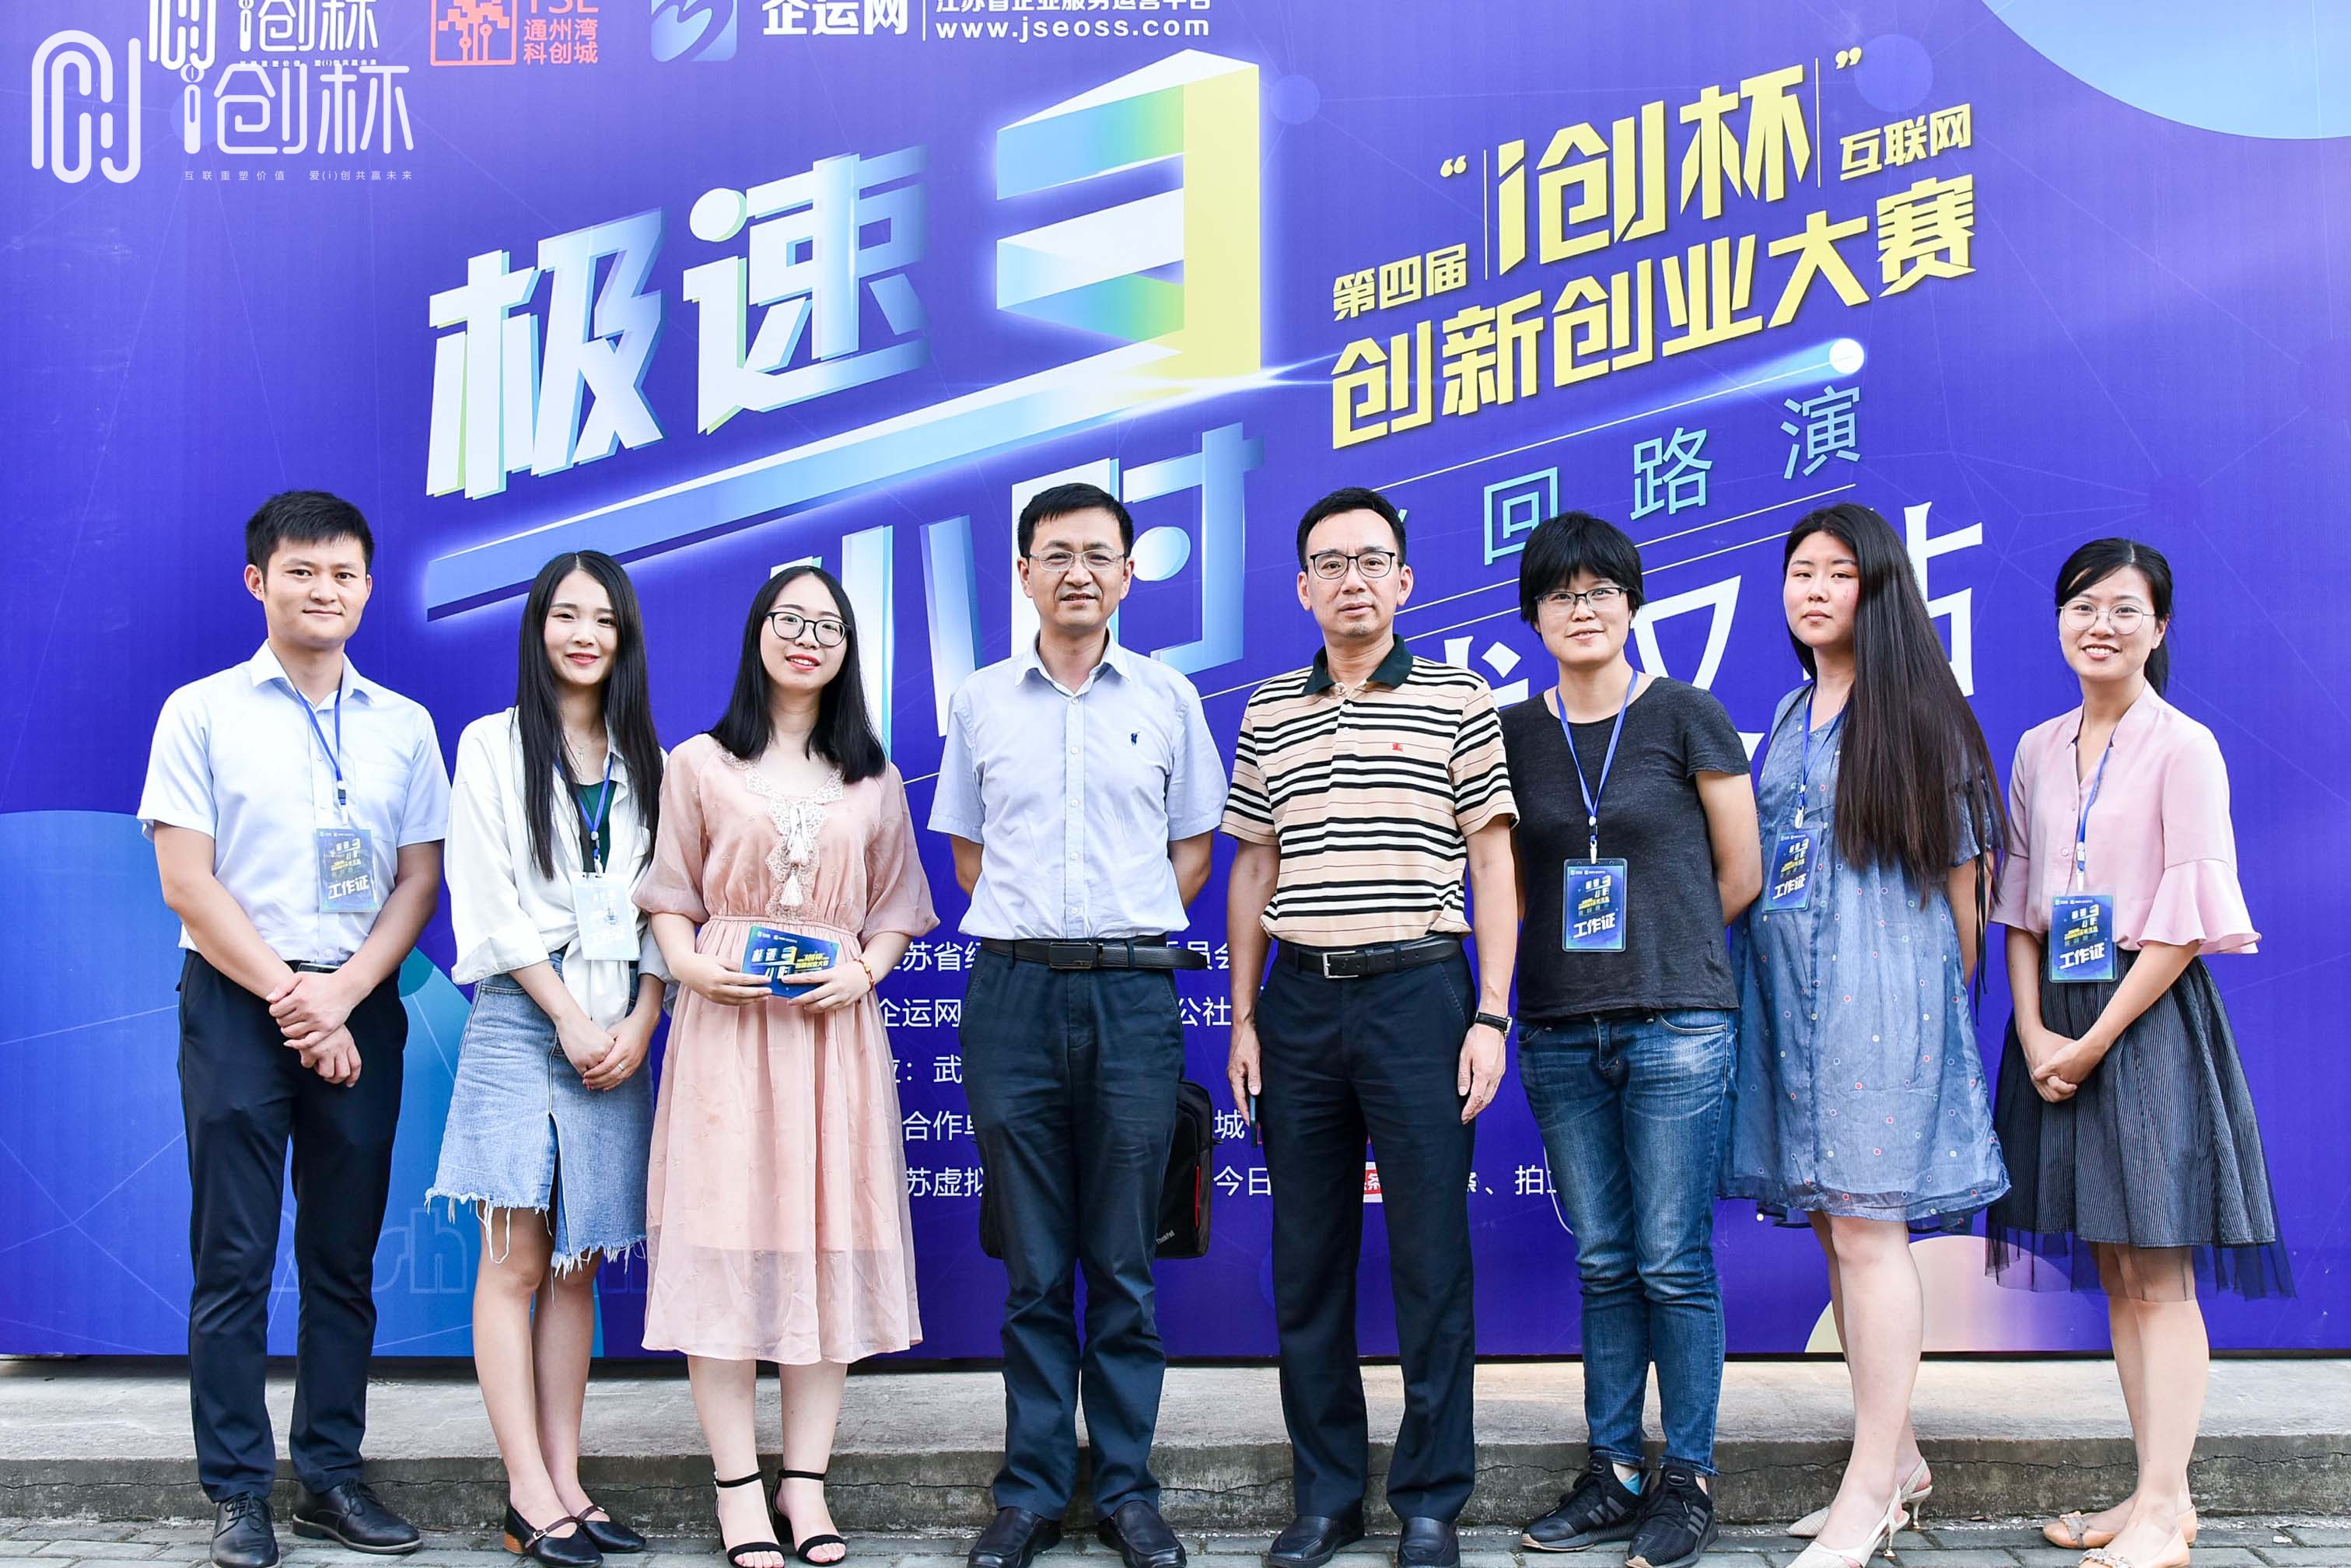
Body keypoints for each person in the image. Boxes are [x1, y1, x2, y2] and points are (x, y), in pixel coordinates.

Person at [139, 491, 448, 1568]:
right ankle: (237, 1493)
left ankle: (329, 1476)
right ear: (257, 581)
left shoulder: (404, 726)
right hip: (237, 1002)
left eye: (344, 574)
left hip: (360, 1004)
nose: (325, 590)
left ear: (367, 587)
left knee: (342, 1257)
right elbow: (188, 881)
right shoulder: (201, 713)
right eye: (302, 571)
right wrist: (294, 1000)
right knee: (232, 1258)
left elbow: (419, 882)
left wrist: (344, 994)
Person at [930, 482, 1227, 1568]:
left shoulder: (1168, 696)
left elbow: (1192, 854)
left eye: (1100, 555)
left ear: (1129, 573)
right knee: (1035, 1265)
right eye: (1056, 555)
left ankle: (1129, 1492)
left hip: (1132, 998)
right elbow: (969, 858)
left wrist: (1110, 934)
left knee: (1126, 1263)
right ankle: (1031, 1493)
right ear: (1024, 573)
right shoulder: (980, 702)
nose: (1079, 573)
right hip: (1012, 996)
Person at [1223, 486, 1517, 1568]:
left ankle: (1431, 1502)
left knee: (1432, 1260)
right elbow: (1253, 866)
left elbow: (1493, 860)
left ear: (1404, 580)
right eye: (1332, 564)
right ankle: (1328, 1498)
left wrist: (1491, 1013)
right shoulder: (1268, 709)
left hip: (1420, 995)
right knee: (1308, 1260)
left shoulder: (1459, 698)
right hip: (1299, 1003)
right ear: (1303, 587)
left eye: (1372, 561)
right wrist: (1244, 1018)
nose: (1353, 580)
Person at [1985, 538, 2289, 1568]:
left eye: (2124, 609)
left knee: (2160, 1272)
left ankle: (2165, 1508)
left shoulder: (2184, 745)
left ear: (2159, 629)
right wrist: (2035, 1031)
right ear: (2059, 622)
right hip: (2055, 1018)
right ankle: (2156, 1495)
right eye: (2082, 606)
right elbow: (2018, 899)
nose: (2100, 626)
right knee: (2118, 1269)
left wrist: (2094, 1039)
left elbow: (2186, 920)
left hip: (2145, 1017)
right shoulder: (2037, 747)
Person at [1723, 503, 2009, 1568]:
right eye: (1800, 571)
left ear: (1879, 588)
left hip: (1884, 1001)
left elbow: (1964, 891)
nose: (1813, 589)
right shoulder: (1791, 711)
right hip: (1788, 997)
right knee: (1834, 1228)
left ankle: (1870, 1487)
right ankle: (1904, 1460)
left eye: (1838, 573)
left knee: (1868, 1230)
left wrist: (1932, 1014)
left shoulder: (1920, 713)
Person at [634, 565, 937, 1568]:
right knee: (723, 1244)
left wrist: (865, 971)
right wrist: (689, 967)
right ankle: (736, 1487)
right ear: (758, 631)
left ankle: (805, 1484)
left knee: (825, 1247)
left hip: (829, 1039)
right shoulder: (699, 763)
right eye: (790, 619)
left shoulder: (873, 777)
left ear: (849, 649)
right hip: (727, 1031)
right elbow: (669, 893)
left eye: (828, 625)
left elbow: (896, 907)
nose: (808, 638)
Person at [1498, 513, 1760, 1568]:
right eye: (1561, 594)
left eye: (1602, 590)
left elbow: (1740, 871)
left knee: (1672, 1259)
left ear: (1633, 605)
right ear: (1534, 616)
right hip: (1560, 1029)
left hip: (1677, 1026)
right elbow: (1505, 887)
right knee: (1604, 1260)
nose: (1583, 609)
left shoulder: (1687, 714)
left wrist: (1668, 953)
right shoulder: (1512, 734)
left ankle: (1688, 1479)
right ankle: (1612, 1471)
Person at [429, 551, 670, 1566]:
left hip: (618, 1031)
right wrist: (569, 1016)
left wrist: (644, 1019)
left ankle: (569, 1482)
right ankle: (527, 1494)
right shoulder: (492, 746)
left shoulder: (648, 758)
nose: (585, 635)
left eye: (603, 619)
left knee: (578, 1268)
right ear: (537, 628)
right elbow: (485, 900)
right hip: (526, 1021)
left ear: (624, 637)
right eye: (566, 615)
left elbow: (668, 907)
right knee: (518, 1262)